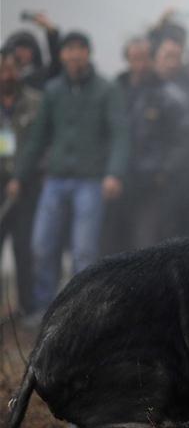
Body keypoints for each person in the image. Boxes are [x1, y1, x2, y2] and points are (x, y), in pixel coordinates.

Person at [5, 31, 129, 321]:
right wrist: (19, 176)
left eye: (79, 49)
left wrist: (114, 173)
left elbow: (120, 134)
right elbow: (38, 138)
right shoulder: (54, 91)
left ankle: (80, 311)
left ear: (88, 53)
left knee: (84, 250)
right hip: (56, 178)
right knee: (42, 245)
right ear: (61, 55)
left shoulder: (106, 90)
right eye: (68, 50)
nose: (74, 55)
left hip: (91, 179)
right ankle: (43, 309)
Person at [103, 37, 189, 254]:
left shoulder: (168, 95)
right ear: (127, 59)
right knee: (112, 243)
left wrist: (164, 170)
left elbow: (182, 139)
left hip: (150, 182)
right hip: (116, 180)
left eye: (144, 58)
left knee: (145, 242)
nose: (140, 64)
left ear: (152, 60)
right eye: (135, 58)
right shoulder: (114, 89)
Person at [0, 49, 42, 316]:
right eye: (2, 70)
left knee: (23, 246)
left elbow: (42, 143)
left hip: (26, 185)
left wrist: (22, 176)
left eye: (11, 69)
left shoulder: (36, 102)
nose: (7, 75)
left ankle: (27, 307)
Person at [2, 12, 62, 90]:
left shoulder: (42, 75)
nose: (22, 53)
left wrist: (50, 29)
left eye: (27, 49)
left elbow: (56, 60)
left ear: (34, 52)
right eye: (19, 48)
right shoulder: (5, 75)